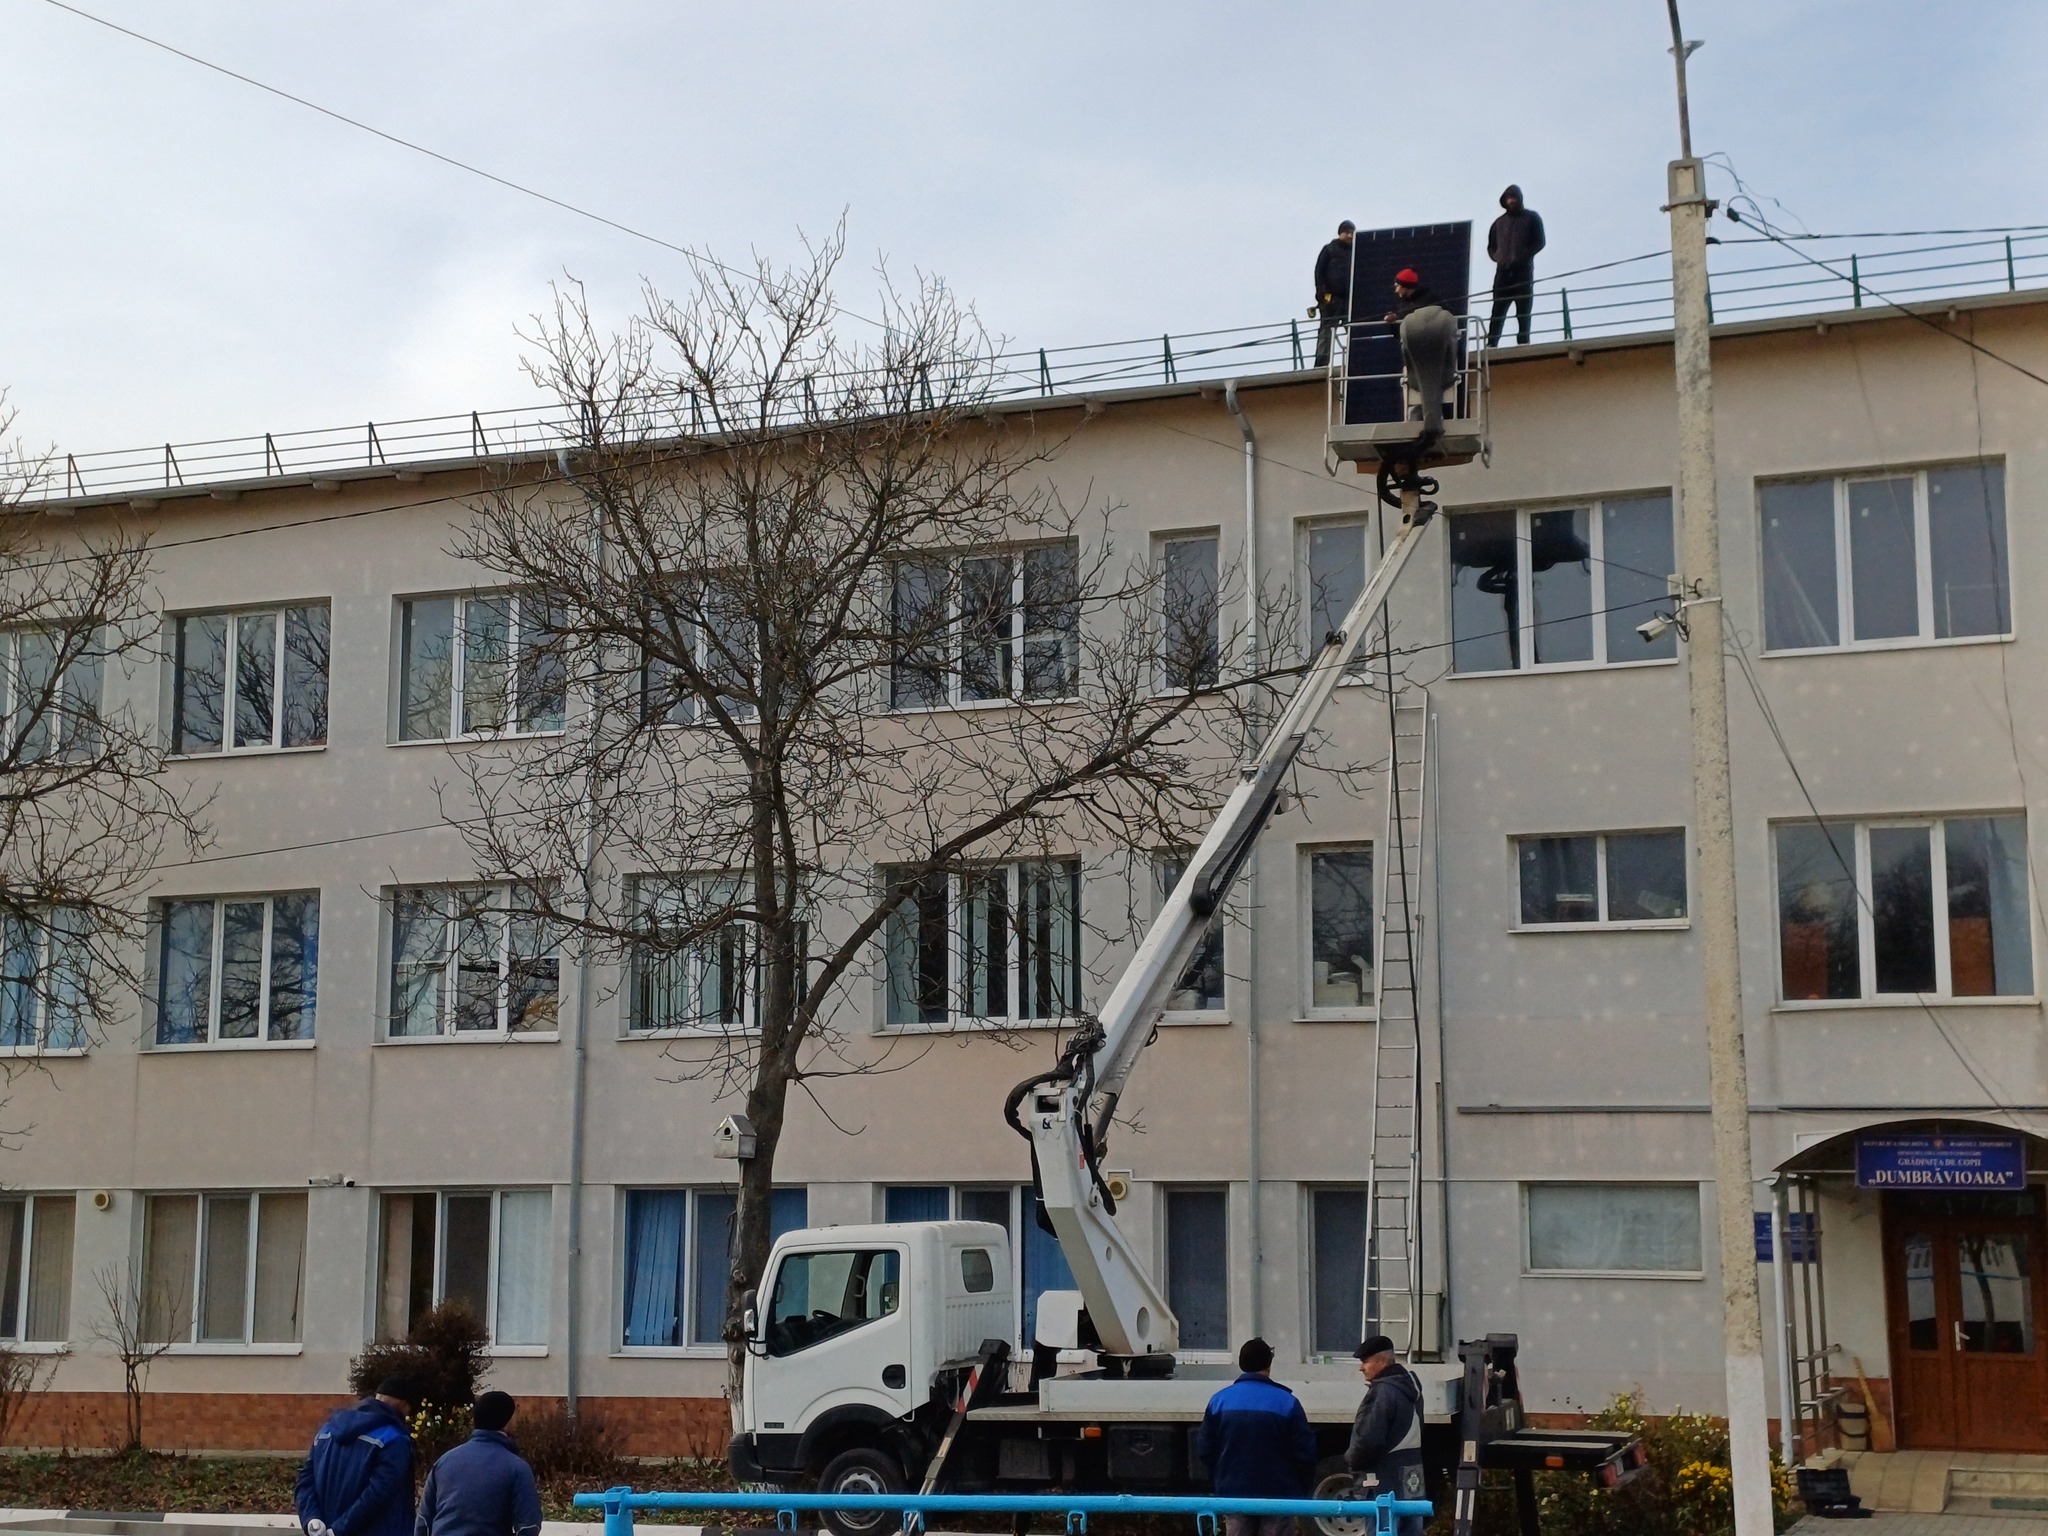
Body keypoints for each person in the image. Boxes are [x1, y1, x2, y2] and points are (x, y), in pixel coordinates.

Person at [1196, 1337, 1317, 1536]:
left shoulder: (1219, 1401)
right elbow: (1305, 1454)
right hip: (1279, 1496)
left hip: (1234, 1493)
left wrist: (1221, 1480)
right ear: (1268, 1364)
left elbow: (1205, 1450)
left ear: (1242, 1363)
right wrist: (1298, 1489)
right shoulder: (1287, 1402)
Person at [296, 1374, 421, 1536]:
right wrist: (338, 1530)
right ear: (403, 1404)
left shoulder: (327, 1430)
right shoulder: (394, 1438)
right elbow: (379, 1494)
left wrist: (312, 1519)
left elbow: (306, 1480)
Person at [415, 1391, 543, 1536]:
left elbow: (423, 1522)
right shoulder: (517, 1468)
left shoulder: (444, 1461)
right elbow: (529, 1526)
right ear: (507, 1422)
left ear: (474, 1419)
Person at [1346, 1336, 1426, 1536]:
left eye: (1365, 1361)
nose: (1361, 1368)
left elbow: (1368, 1440)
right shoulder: (1411, 1389)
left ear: (1382, 1361)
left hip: (1383, 1484)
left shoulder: (1383, 1391)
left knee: (1381, 1529)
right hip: (1411, 1479)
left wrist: (1351, 1461)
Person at [1382, 270, 1458, 449]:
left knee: (1441, 398)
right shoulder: (1404, 305)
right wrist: (1393, 323)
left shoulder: (1431, 300)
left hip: (1437, 359)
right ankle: (1423, 425)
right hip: (1417, 361)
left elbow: (1448, 325)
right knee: (1419, 401)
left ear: (1406, 287)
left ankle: (1443, 421)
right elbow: (1401, 334)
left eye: (1397, 286)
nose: (1395, 290)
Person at [1486, 185, 1546, 348]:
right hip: (1502, 273)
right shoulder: (1498, 223)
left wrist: (1524, 255)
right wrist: (1498, 257)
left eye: (1513, 197)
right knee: (1498, 310)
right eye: (1508, 198)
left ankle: (1523, 342)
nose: (1511, 201)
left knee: (1523, 310)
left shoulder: (1531, 218)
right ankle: (1492, 343)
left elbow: (1540, 241)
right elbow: (1491, 247)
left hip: (1523, 272)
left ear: (1519, 199)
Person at [1312, 220, 1357, 369]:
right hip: (1331, 299)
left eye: (1352, 233)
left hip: (1350, 299)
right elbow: (1319, 272)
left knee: (1354, 330)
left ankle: (1358, 358)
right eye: (1347, 232)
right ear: (1340, 233)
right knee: (1326, 331)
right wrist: (1322, 294)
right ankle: (1321, 363)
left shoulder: (1356, 251)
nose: (1350, 236)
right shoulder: (1329, 250)